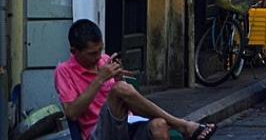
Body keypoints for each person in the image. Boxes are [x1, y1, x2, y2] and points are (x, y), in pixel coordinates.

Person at [55, 19, 217, 140]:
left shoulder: (104, 60)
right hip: (97, 133)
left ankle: (181, 125)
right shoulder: (64, 71)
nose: (98, 57)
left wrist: (118, 78)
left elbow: (122, 98)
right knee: (120, 90)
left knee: (158, 125)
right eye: (92, 53)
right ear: (74, 51)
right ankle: (182, 125)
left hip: (126, 123)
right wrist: (99, 79)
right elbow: (72, 113)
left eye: (100, 51)